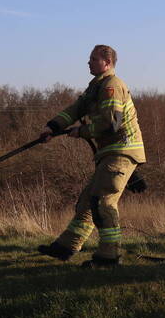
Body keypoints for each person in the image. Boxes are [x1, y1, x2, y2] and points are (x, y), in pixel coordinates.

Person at [36, 45, 145, 267]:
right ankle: (66, 247)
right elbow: (76, 109)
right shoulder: (96, 87)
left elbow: (111, 123)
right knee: (87, 201)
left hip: (121, 151)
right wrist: (52, 127)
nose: (88, 63)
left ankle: (109, 256)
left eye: (94, 59)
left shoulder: (112, 86)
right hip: (110, 154)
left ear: (107, 62)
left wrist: (81, 132)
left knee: (102, 202)